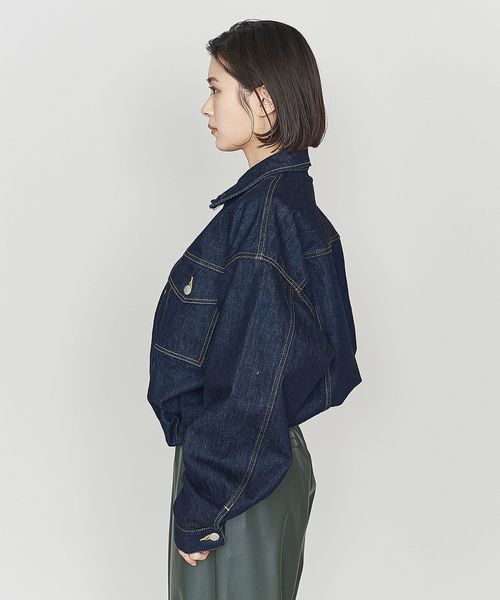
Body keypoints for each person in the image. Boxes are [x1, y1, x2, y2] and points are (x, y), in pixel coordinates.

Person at [147, 19, 362, 600]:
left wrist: (202, 503)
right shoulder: (279, 209)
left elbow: (254, 381)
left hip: (237, 478)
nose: (205, 106)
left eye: (216, 88)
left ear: (263, 103)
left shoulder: (265, 220)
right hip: (250, 468)